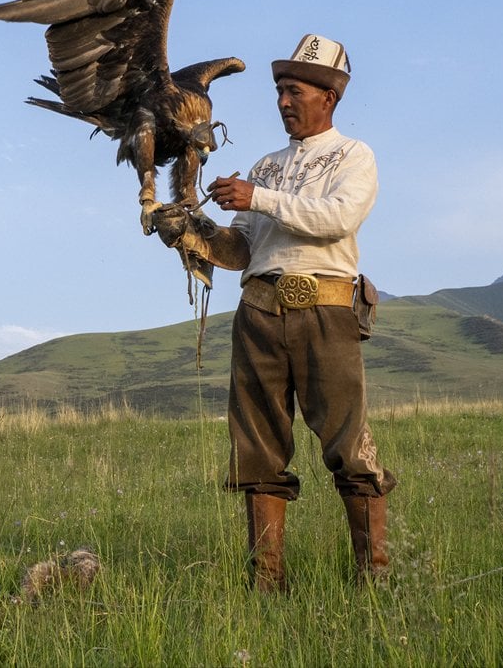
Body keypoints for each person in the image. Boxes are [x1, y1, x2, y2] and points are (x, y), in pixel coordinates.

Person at [152, 33, 396, 591]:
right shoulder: (264, 165)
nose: (283, 101)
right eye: (279, 92)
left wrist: (255, 197)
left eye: (294, 90)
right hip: (259, 314)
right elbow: (242, 251)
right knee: (256, 447)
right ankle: (267, 582)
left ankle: (375, 581)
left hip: (326, 312)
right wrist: (192, 231)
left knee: (348, 446)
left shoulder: (355, 156)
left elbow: (336, 219)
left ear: (329, 96)